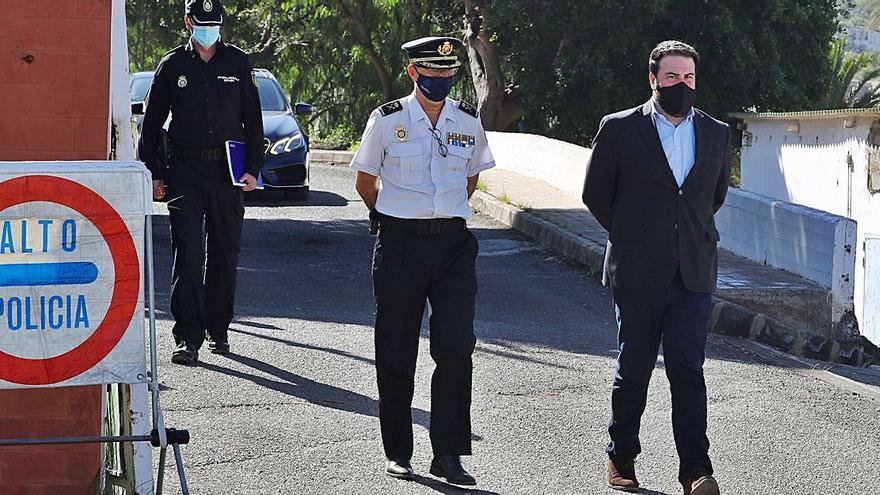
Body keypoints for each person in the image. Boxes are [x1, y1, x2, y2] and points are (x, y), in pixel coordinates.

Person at [582, 40, 730, 495]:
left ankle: (695, 472)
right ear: (653, 79)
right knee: (635, 367)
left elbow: (713, 197)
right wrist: (633, 235)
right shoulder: (620, 129)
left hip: (693, 272)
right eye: (671, 77)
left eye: (687, 77)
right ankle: (621, 455)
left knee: (688, 369)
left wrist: (687, 236)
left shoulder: (717, 132)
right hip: (637, 271)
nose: (680, 85)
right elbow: (596, 194)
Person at [350, 36, 496, 486]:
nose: (441, 82)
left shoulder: (468, 120)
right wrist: (395, 217)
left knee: (455, 349)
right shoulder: (387, 119)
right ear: (414, 73)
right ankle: (398, 451)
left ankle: (448, 453)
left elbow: (470, 180)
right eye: (432, 75)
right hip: (400, 246)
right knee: (396, 350)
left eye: (448, 75)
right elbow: (364, 181)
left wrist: (440, 214)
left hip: (453, 246)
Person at [140, 0, 264, 365]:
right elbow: (152, 124)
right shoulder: (172, 65)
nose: (209, 30)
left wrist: (254, 168)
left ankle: (219, 329)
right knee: (188, 253)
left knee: (225, 250)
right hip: (186, 170)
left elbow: (253, 120)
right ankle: (187, 337)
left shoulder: (237, 62)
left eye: (215, 24)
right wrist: (156, 173)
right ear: (187, 23)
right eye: (202, 23)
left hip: (227, 171)